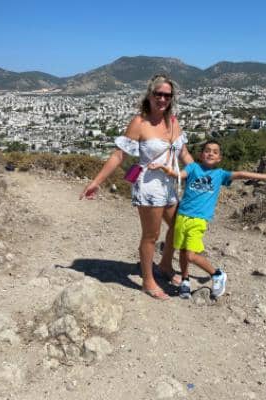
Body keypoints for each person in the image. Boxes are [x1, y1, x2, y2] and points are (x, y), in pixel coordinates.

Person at [79, 74, 193, 300]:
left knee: (178, 226)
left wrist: (200, 173)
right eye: (158, 94)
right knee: (151, 235)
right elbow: (119, 155)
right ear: (149, 95)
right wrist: (96, 182)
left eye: (167, 95)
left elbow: (184, 154)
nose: (162, 98)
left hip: (170, 185)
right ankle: (148, 280)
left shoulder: (173, 122)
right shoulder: (139, 123)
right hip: (149, 186)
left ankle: (165, 265)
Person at [148, 140, 266, 299]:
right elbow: (179, 175)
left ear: (219, 158)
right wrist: (164, 168)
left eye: (215, 152)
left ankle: (217, 274)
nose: (210, 153)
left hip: (198, 220)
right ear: (201, 155)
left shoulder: (219, 174)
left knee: (191, 255)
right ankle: (185, 280)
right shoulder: (193, 168)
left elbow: (241, 174)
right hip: (182, 215)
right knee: (182, 250)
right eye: (207, 150)